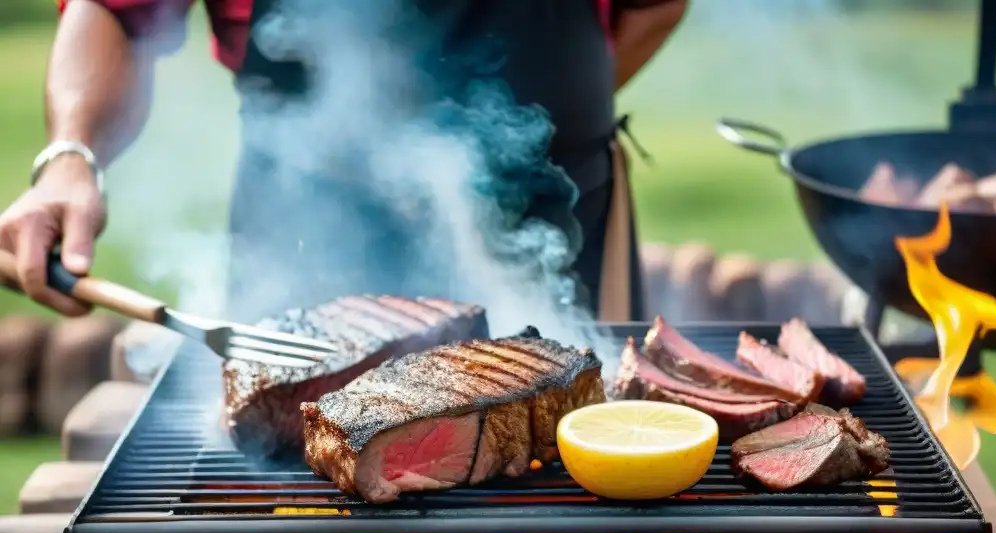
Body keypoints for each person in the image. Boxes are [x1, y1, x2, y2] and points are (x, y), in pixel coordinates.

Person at [0, 0, 688, 322]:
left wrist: (522, 130)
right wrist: (69, 158)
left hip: (558, 213)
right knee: (300, 512)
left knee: (598, 492)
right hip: (306, 223)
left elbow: (655, 7)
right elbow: (117, 11)